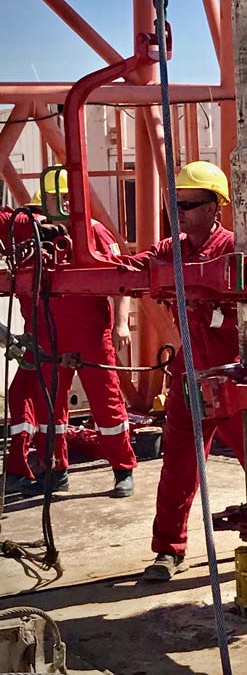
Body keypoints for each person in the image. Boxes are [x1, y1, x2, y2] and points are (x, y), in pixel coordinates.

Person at [134, 161, 244, 582]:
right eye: (174, 202)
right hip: (188, 374)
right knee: (178, 463)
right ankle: (167, 550)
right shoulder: (170, 250)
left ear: (217, 207)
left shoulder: (235, 248)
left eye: (190, 203)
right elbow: (132, 268)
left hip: (234, 376)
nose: (178, 211)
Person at [2, 169, 137, 498]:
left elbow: (121, 277)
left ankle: (123, 469)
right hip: (47, 337)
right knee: (50, 410)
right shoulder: (26, 236)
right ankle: (56, 468)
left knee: (107, 405)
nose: (61, 203)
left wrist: (121, 324)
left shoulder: (92, 232)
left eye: (66, 197)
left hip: (91, 336)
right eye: (54, 199)